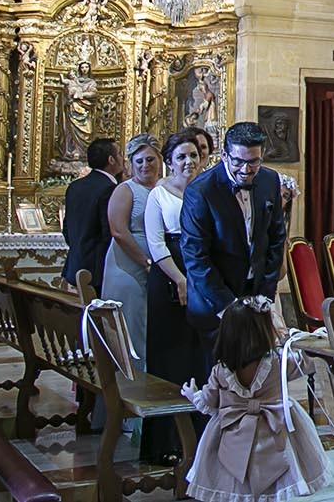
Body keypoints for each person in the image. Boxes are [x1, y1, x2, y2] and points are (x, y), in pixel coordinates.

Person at [181, 297, 328, 502]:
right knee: (277, 472)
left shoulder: (221, 370)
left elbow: (208, 401)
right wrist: (320, 337)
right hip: (275, 425)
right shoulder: (279, 362)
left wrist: (192, 394)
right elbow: (309, 362)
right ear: (263, 331)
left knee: (236, 479)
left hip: (232, 428)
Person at [180, 122, 289, 353]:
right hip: (214, 303)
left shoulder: (269, 181)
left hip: (255, 295)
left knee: (257, 375)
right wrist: (229, 307)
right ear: (224, 155)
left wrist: (264, 296)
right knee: (219, 380)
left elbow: (276, 238)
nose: (246, 170)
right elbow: (196, 257)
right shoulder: (201, 191)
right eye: (238, 161)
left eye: (253, 162)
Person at [142, 131, 210, 465]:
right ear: (169, 162)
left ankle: (202, 436)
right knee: (170, 358)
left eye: (193, 156)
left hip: (202, 274)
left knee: (200, 358)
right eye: (181, 157)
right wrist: (181, 280)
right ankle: (165, 441)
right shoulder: (159, 195)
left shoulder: (208, 190)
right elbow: (155, 245)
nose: (188, 162)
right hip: (170, 275)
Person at [101, 133, 162, 376]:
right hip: (128, 268)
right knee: (132, 329)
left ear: (159, 160)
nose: (145, 165)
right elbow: (118, 230)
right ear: (130, 164)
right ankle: (130, 390)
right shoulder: (126, 190)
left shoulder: (166, 188)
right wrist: (146, 262)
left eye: (150, 159)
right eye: (139, 161)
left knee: (152, 330)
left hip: (158, 268)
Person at [63, 138, 124, 293]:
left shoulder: (75, 186)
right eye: (120, 154)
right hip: (98, 269)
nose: (123, 159)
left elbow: (67, 230)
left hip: (76, 264)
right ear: (111, 160)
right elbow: (108, 234)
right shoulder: (109, 189)